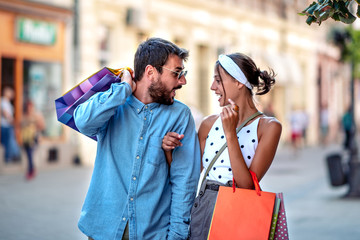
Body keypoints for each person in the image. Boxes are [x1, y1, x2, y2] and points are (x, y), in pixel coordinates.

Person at [73, 38, 201, 240]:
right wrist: (123, 89)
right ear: (150, 72)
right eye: (177, 73)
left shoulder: (180, 116)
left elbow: (184, 181)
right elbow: (82, 122)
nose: (182, 81)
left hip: (152, 233)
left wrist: (177, 234)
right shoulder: (113, 103)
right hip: (103, 229)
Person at [162, 53, 282, 239]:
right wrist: (169, 151)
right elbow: (186, 175)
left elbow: (247, 187)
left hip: (239, 210)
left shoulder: (269, 127)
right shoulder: (209, 124)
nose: (212, 87)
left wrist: (230, 133)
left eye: (218, 80)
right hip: (205, 208)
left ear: (239, 83)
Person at [21, 99, 45, 180]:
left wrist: (36, 123)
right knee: (28, 155)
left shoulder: (37, 115)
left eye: (30, 107)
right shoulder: (24, 116)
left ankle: (31, 171)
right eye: (28, 107)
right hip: (26, 137)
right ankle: (31, 170)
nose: (29, 108)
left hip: (34, 137)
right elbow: (20, 126)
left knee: (31, 154)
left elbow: (42, 126)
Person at [1, 86, 21, 163]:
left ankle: (12, 156)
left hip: (8, 125)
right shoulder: (3, 101)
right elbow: (6, 114)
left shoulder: (7, 102)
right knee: (8, 142)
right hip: (5, 125)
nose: (13, 94)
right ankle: (9, 157)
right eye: (11, 92)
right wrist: (13, 122)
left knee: (10, 141)